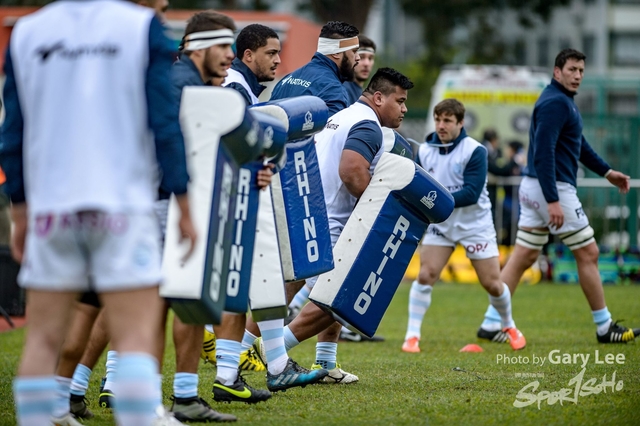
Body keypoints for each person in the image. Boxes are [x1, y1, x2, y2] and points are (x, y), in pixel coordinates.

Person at [0, 1, 197, 425]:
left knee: (42, 341)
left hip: (52, 209)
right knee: (135, 339)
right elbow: (164, 122)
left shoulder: (27, 31)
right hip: (124, 206)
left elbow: (12, 131)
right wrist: (183, 201)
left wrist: (20, 208)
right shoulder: (140, 26)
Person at [477, 48, 639, 344]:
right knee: (588, 253)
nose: (577, 75)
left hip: (535, 187)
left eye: (581, 71)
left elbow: (578, 145)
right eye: (572, 69)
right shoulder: (556, 103)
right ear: (557, 72)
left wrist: (606, 172)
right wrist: (552, 199)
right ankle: (604, 327)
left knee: (524, 255)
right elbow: (543, 153)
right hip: (551, 188)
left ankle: (490, 322)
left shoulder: (562, 101)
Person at [278, 68, 414, 383]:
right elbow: (352, 171)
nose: (405, 109)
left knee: (294, 292)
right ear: (378, 98)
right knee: (337, 300)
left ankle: (325, 363)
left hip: (313, 212)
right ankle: (266, 349)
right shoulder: (368, 125)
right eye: (400, 101)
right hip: (332, 222)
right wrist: (375, 209)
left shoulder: (344, 115)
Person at [216, 22, 329, 396]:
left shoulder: (243, 87)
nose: (279, 60)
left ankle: (266, 367)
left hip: (240, 198)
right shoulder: (234, 88)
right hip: (233, 201)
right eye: (271, 53)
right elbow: (230, 147)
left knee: (262, 283)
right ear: (248, 55)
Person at [400, 99, 526, 354]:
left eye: (447, 121)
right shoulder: (425, 150)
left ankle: (509, 326)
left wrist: (434, 201)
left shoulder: (475, 150)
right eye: (438, 120)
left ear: (460, 123)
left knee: (492, 283)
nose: (441, 125)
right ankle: (412, 336)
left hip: (474, 224)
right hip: (441, 223)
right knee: (426, 275)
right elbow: (418, 187)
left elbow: (471, 193)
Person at [270, 20, 360, 117]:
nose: (358, 57)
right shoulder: (333, 90)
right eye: (354, 51)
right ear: (336, 53)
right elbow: (333, 127)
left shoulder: (286, 80)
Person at [343, 35, 376, 105]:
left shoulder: (363, 93)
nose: (366, 63)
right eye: (361, 57)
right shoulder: (344, 90)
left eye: (370, 58)